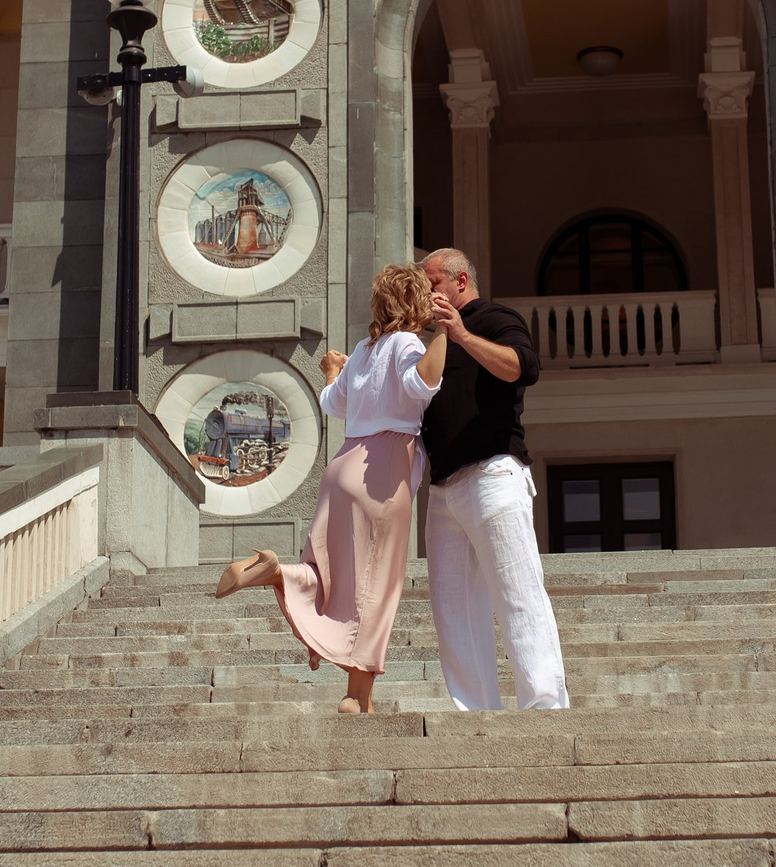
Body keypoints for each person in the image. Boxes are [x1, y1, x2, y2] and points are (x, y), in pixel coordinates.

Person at [217, 264, 446, 716]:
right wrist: (444, 333)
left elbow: (332, 403)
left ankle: (278, 572)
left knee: (333, 569)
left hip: (343, 464)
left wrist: (333, 369)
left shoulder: (364, 348)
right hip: (382, 467)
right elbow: (423, 382)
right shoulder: (407, 344)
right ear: (417, 303)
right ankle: (355, 696)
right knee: (376, 584)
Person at [418, 247, 570, 711]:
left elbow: (523, 367)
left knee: (517, 591)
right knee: (453, 611)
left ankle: (544, 705)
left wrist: (462, 334)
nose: (427, 297)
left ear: (460, 282)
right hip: (443, 489)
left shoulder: (494, 318)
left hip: (493, 473)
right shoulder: (431, 342)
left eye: (433, 286)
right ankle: (475, 712)